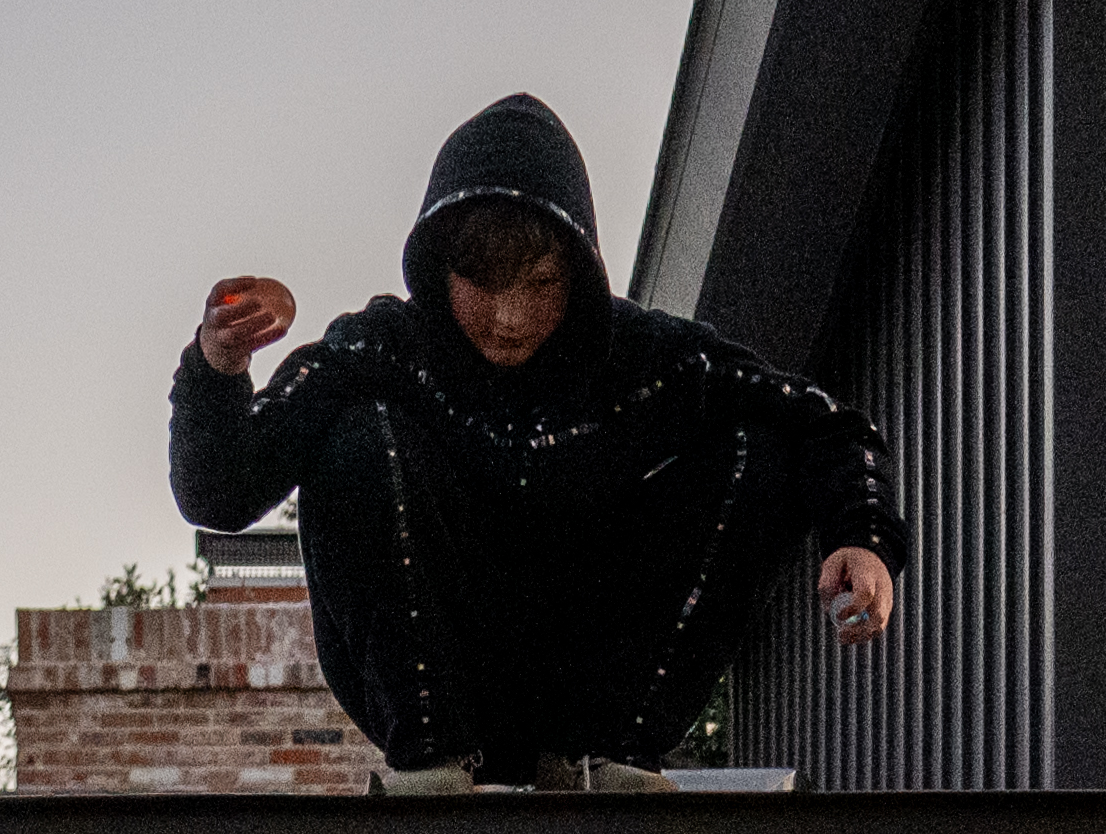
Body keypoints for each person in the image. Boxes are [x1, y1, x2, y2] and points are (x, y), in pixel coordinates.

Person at [175, 94, 910, 786]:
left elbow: (823, 421)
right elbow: (221, 492)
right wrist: (219, 364)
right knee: (356, 434)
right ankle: (434, 760)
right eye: (483, 285)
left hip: (590, 683)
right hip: (438, 680)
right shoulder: (383, 348)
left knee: (761, 448)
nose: (509, 317)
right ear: (439, 270)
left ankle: (611, 752)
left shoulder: (643, 358)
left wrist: (863, 535)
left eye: (540, 283)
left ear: (579, 273)